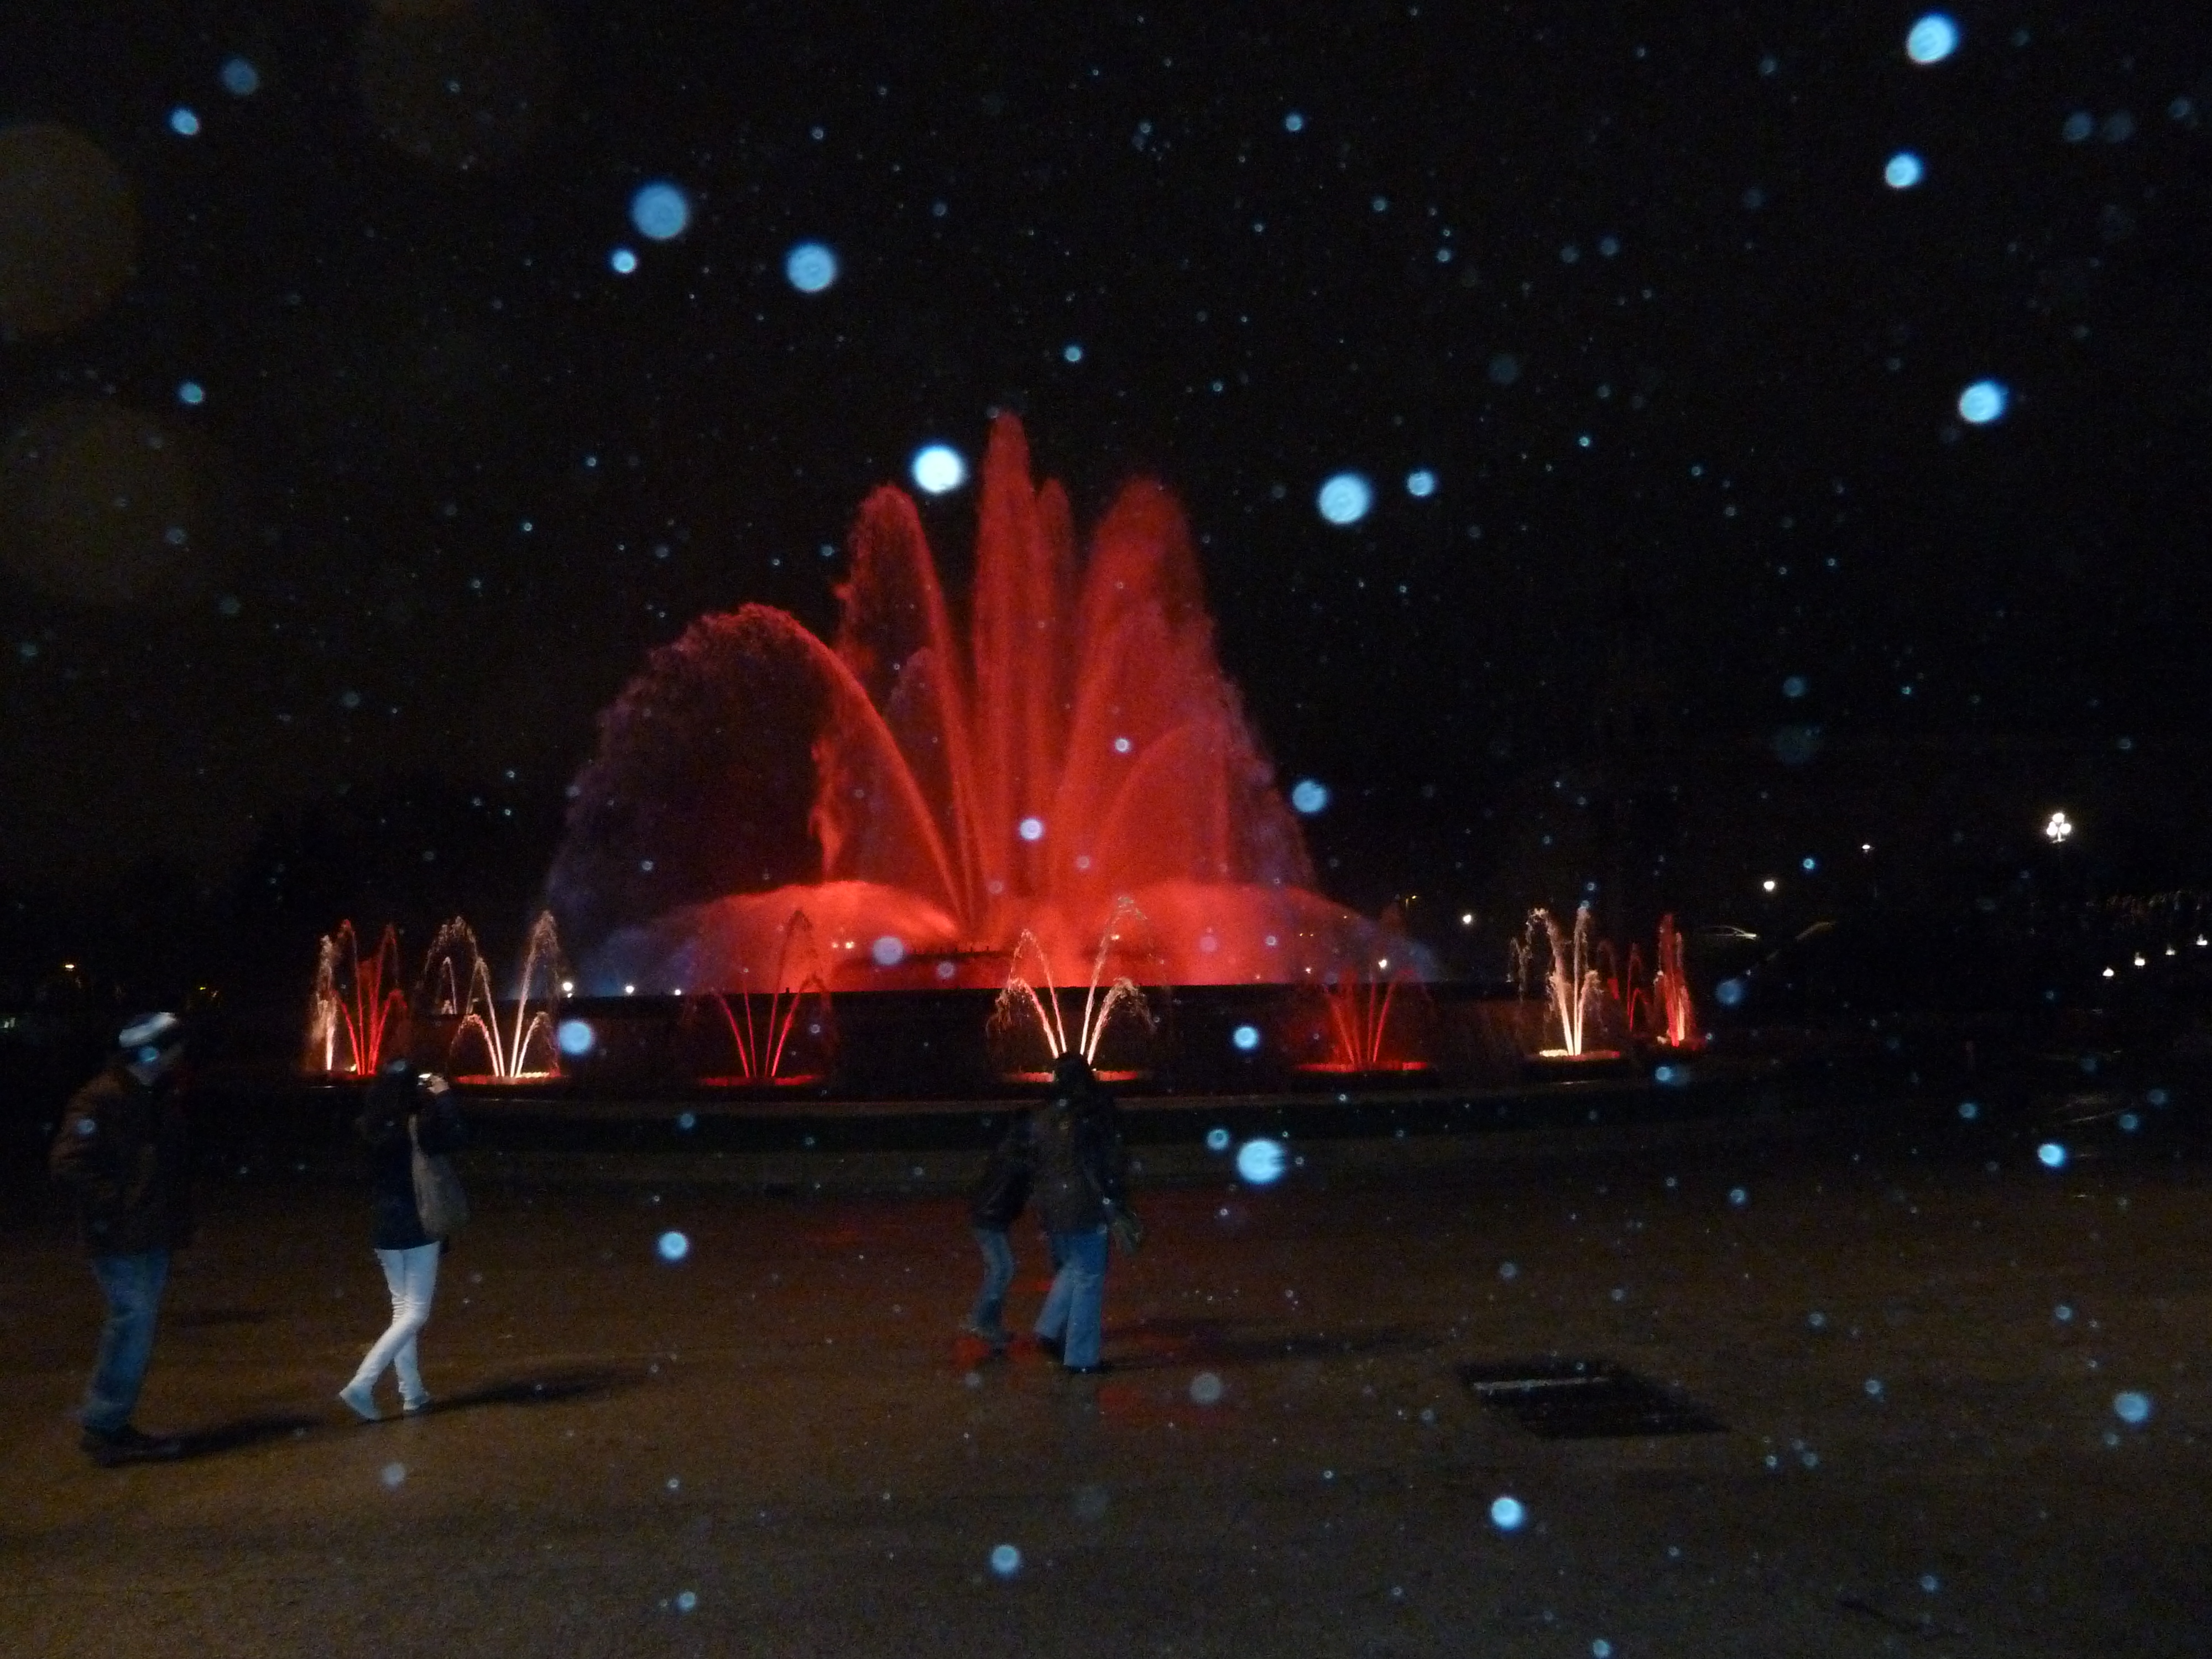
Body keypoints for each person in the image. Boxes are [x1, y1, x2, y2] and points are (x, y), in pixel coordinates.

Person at [49, 1012, 194, 1466]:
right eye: (174, 1046)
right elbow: (69, 1162)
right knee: (133, 1323)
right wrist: (117, 1204)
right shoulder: (104, 1097)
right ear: (155, 1051)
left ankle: (110, 1424)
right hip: (118, 1235)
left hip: (147, 1232)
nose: (181, 1055)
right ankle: (105, 1426)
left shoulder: (152, 1094)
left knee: (136, 1325)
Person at [339, 1057, 465, 1421]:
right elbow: (457, 1136)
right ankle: (362, 1384)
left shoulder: (367, 1126)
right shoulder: (417, 1125)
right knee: (416, 1313)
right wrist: (443, 1097)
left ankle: (413, 1393)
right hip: (417, 1224)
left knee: (403, 1312)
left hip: (385, 1226)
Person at [1030, 1051, 1129, 1375]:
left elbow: (1037, 1163)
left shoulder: (1044, 1116)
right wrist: (1116, 1201)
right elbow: (1106, 1163)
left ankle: (1049, 1328)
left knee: (1074, 1268)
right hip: (1085, 1205)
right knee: (1089, 1278)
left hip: (1053, 1205)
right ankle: (1081, 1357)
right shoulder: (1092, 1113)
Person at [962, 1107, 1033, 1352]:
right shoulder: (1016, 1154)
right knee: (1003, 1269)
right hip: (990, 1219)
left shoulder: (1010, 1149)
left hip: (990, 1217)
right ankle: (981, 1320)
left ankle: (990, 1325)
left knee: (1000, 1270)